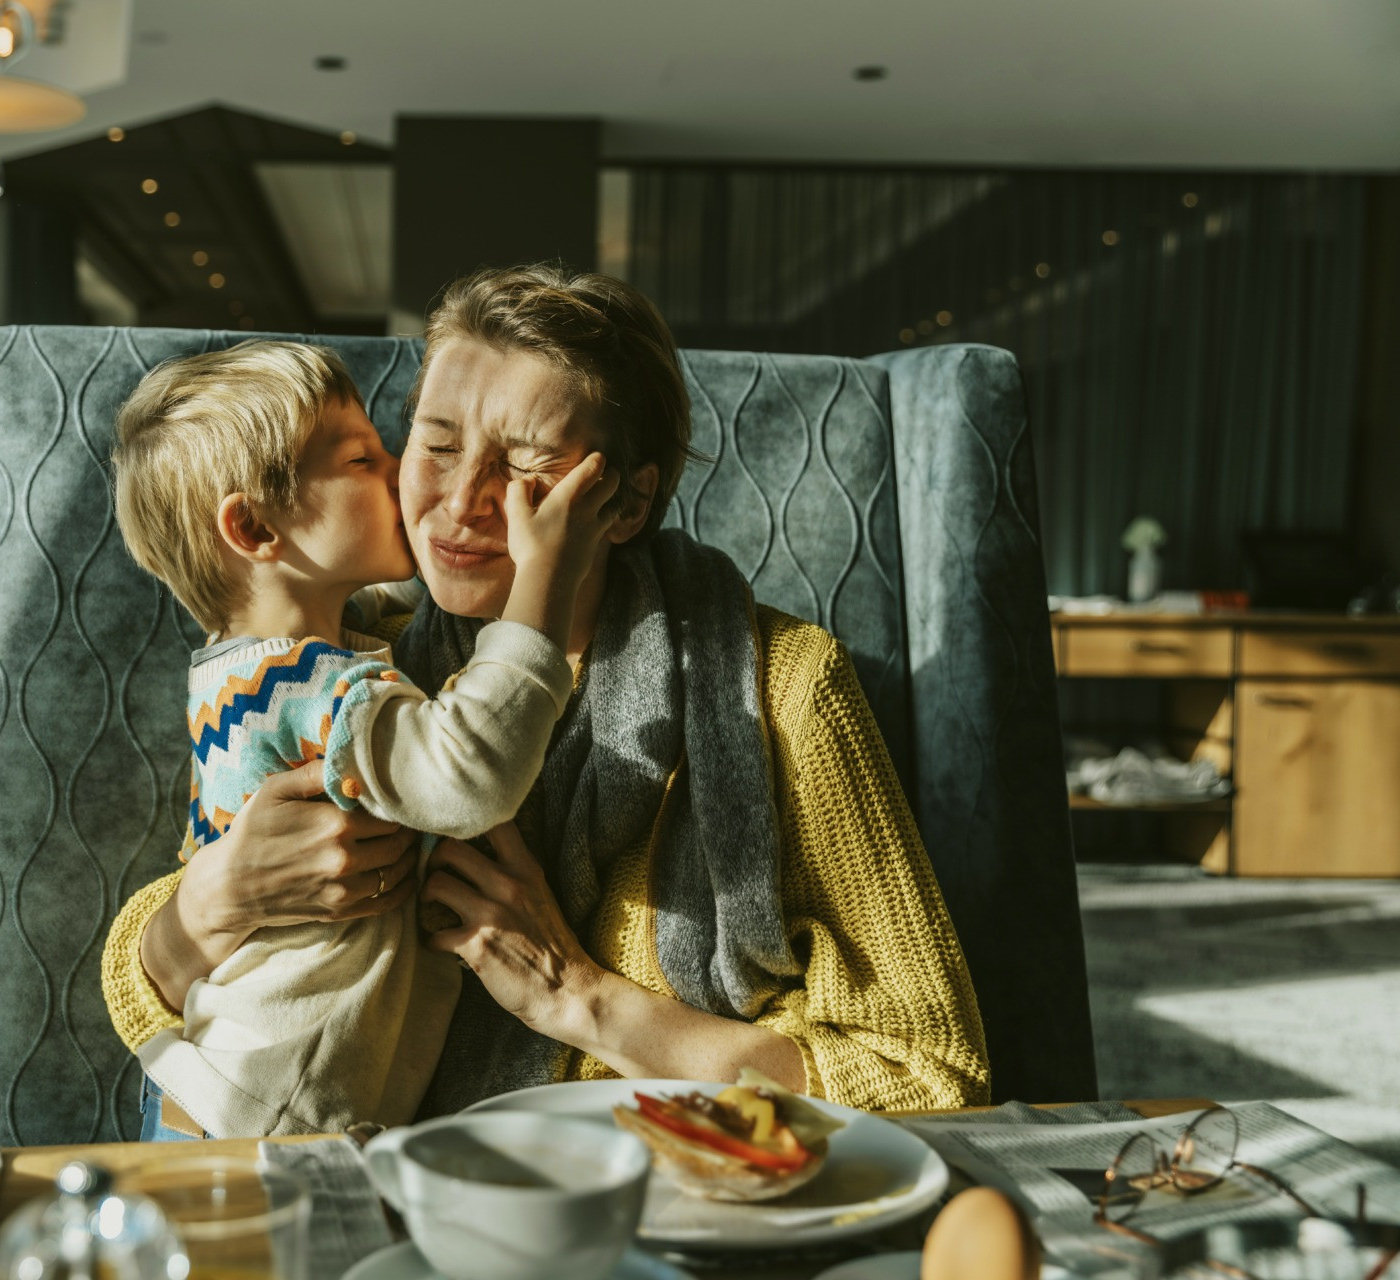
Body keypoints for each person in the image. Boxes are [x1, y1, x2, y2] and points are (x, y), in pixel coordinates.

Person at [103, 267, 991, 1121]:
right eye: (438, 444)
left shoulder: (786, 688)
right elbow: (156, 990)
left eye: (527, 466)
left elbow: (932, 1077)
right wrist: (218, 900)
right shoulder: (357, 651)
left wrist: (579, 998)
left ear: (627, 503)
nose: (462, 502)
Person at [107, 340, 619, 1139]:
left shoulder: (244, 669)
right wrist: (541, 586)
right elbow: (466, 773)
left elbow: (383, 599)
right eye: (359, 460)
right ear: (251, 527)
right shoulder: (315, 688)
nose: (403, 476)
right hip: (270, 1116)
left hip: (225, 1091)